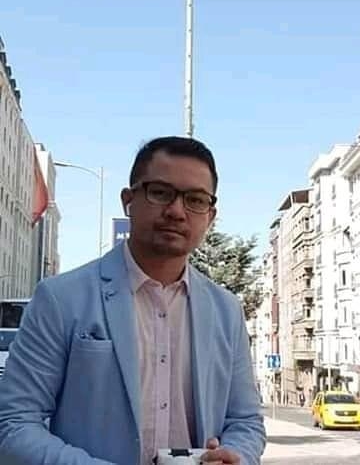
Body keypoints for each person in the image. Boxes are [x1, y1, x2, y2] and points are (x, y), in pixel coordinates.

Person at [0, 137, 266, 465]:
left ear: (210, 216)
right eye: (160, 192)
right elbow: (14, 424)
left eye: (195, 200)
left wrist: (236, 456)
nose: (176, 211)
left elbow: (246, 421)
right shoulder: (60, 299)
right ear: (128, 201)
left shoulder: (225, 310)